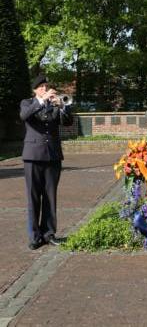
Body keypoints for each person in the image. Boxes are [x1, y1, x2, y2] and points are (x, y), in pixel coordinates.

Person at [20, 75, 73, 250]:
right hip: (33, 156)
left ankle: (49, 233)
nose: (45, 89)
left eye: (46, 86)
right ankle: (35, 237)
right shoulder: (28, 103)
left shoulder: (54, 105)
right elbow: (24, 116)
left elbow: (68, 122)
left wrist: (63, 106)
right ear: (35, 90)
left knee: (50, 197)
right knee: (33, 198)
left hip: (52, 157)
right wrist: (41, 101)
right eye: (41, 87)